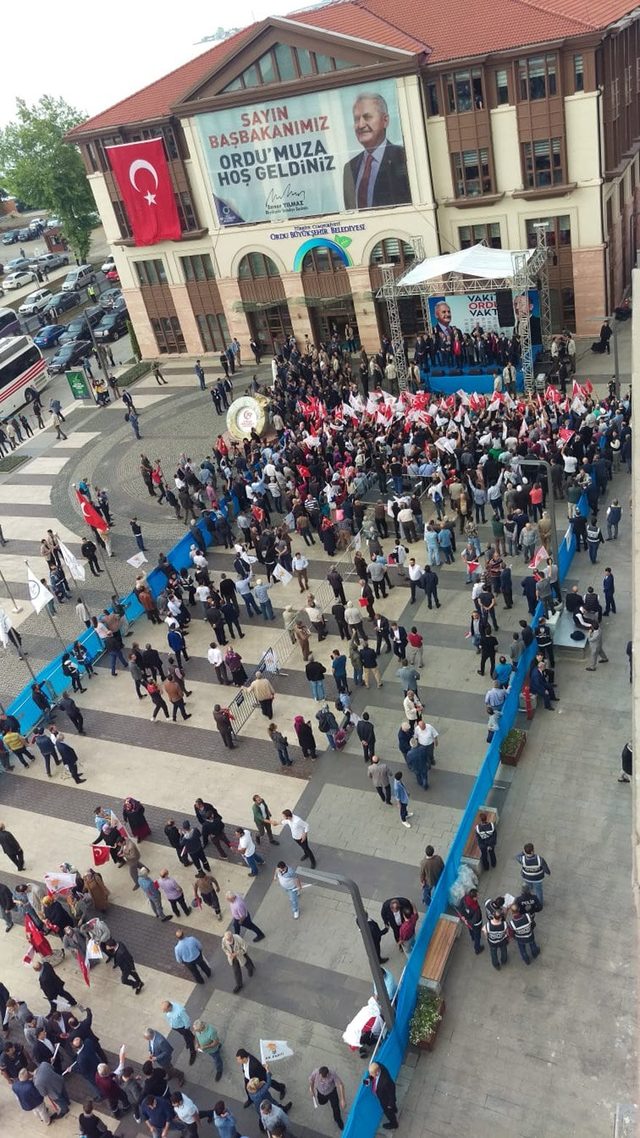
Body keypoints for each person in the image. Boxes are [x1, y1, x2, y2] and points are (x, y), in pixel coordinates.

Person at [343, 92, 410, 210]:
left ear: (385, 120)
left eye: (367, 117)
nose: (361, 125)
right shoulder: (350, 167)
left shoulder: (403, 157)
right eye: (356, 119)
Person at [364, 1060, 398, 1130]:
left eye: (371, 1074)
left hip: (386, 1099)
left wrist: (390, 1103)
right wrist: (368, 1080)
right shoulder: (377, 1066)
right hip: (384, 1095)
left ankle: (394, 1124)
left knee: (388, 1112)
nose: (370, 1075)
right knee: (392, 1108)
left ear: (377, 1073)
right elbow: (372, 1075)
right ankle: (394, 1109)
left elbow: (392, 1089)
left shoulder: (385, 1081)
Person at [516, 842, 551, 906]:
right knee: (538, 891)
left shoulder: (522, 859)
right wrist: (548, 872)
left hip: (527, 877)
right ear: (532, 851)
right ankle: (540, 903)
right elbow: (545, 868)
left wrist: (523, 853)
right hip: (537, 879)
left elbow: (517, 856)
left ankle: (530, 889)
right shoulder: (540, 859)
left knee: (528, 886)